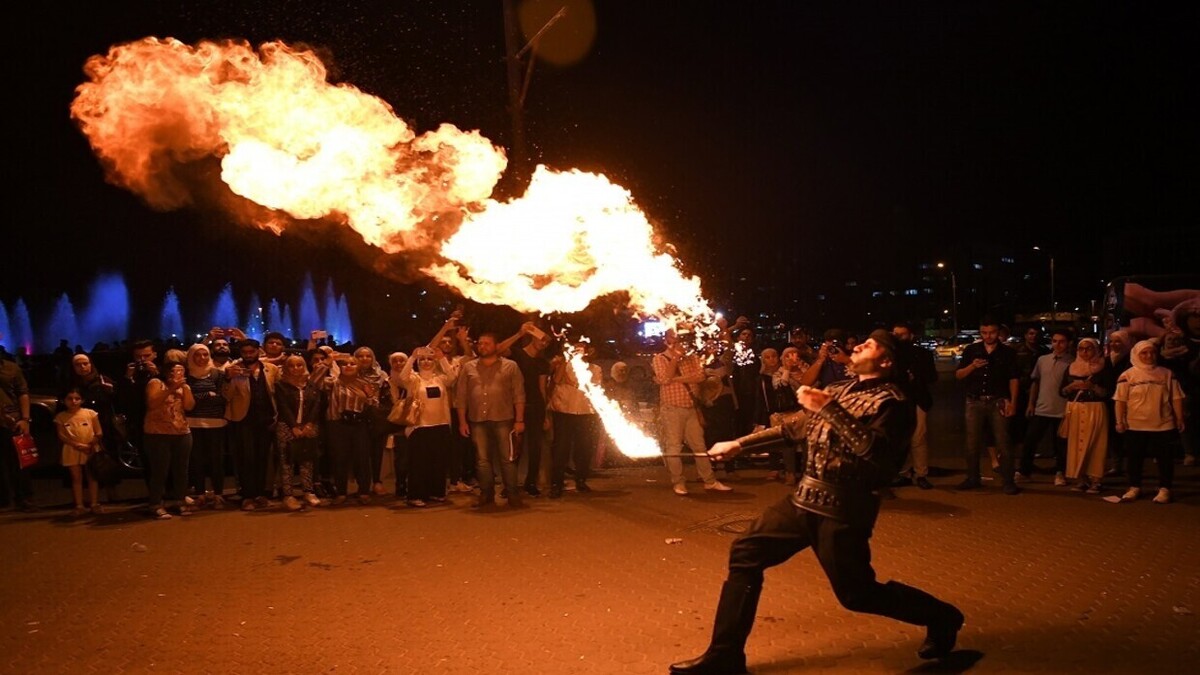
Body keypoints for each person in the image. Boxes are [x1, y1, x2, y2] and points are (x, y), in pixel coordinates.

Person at [668, 330, 963, 674]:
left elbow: (876, 453)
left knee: (857, 595)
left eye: (870, 344)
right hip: (803, 499)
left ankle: (942, 616)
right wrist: (739, 444)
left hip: (845, 508)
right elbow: (792, 429)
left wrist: (828, 408)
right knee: (746, 553)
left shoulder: (894, 402)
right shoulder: (837, 389)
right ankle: (725, 655)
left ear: (886, 361)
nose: (858, 345)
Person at [652, 329, 732, 495]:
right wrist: (675, 358)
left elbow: (700, 376)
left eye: (680, 338)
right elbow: (664, 378)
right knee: (674, 447)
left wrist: (675, 379)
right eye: (674, 337)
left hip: (691, 408)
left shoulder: (692, 357)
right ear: (667, 339)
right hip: (672, 409)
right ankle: (678, 482)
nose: (678, 341)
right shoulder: (660, 358)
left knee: (699, 446)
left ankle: (709, 481)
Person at [457, 332, 526, 508]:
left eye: (487, 343)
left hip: (503, 418)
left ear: (496, 346)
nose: (482, 347)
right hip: (477, 419)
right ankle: (486, 494)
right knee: (482, 460)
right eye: (480, 343)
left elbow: (519, 394)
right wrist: (462, 422)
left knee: (507, 459)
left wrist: (519, 420)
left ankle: (512, 494)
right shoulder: (469, 367)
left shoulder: (510, 366)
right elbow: (462, 396)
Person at [955, 317, 1020, 495]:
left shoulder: (1007, 352)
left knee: (1003, 441)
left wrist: (1013, 402)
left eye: (991, 332)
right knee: (972, 442)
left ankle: (1008, 480)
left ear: (998, 332)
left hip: (998, 400)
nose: (988, 336)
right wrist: (972, 366)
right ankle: (973, 478)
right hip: (974, 400)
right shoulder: (972, 350)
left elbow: (1014, 378)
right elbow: (959, 375)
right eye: (984, 333)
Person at [1115, 340, 1185, 504]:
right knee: (1134, 457)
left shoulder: (1167, 373)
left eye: (1152, 352)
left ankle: (1165, 488)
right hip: (1135, 424)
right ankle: (1134, 486)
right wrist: (1119, 421)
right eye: (1144, 353)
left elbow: (1176, 397)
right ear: (1136, 354)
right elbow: (1120, 400)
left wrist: (1179, 418)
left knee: (1165, 458)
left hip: (1163, 423)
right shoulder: (1127, 375)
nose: (1149, 356)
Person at [393, 345, 459, 507]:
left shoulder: (440, 379)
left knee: (438, 461)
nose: (426, 362)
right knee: (418, 463)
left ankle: (436, 492)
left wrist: (442, 358)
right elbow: (402, 376)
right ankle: (416, 495)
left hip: (441, 424)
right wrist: (412, 358)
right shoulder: (414, 379)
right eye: (422, 360)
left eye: (429, 359)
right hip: (420, 426)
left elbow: (452, 377)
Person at [498, 321, 553, 497]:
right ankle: (510, 484)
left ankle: (531, 483)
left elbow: (542, 389)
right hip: (516, 406)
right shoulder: (517, 354)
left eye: (547, 341)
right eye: (542, 339)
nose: (544, 343)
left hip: (536, 407)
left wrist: (545, 414)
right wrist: (519, 334)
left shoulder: (543, 363)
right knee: (515, 448)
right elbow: (498, 350)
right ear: (533, 336)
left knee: (535, 447)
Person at [225, 338, 279, 510]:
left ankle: (261, 494)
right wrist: (228, 378)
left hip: (266, 419)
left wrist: (277, 417)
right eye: (245, 352)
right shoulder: (234, 369)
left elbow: (277, 392)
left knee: (263, 458)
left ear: (258, 351)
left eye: (251, 352)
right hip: (244, 420)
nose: (248, 355)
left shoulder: (270, 369)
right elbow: (226, 396)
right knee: (246, 458)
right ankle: (248, 496)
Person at [1059, 337, 1115, 494]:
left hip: (1095, 408)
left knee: (1096, 444)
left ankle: (1096, 479)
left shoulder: (1104, 367)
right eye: (1081, 349)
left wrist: (1092, 387)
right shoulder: (1071, 368)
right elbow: (1061, 391)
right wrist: (1071, 387)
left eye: (1089, 348)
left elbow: (1109, 392)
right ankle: (1081, 478)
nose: (1085, 352)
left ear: (1096, 350)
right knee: (1075, 443)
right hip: (1075, 408)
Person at [1018, 328, 1074, 486]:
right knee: (1030, 440)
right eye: (1055, 341)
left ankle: (1060, 472)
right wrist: (1031, 403)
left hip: (1063, 409)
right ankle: (1024, 471)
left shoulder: (1073, 362)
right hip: (1042, 407)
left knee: (1061, 444)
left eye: (1062, 342)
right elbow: (1036, 382)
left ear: (1068, 343)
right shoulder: (1042, 360)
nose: (1057, 345)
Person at [546, 341, 602, 498]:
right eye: (574, 348)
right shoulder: (564, 365)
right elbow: (557, 380)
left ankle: (581, 480)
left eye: (580, 349)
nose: (577, 351)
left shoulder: (595, 369)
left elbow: (589, 386)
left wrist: (569, 381)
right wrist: (564, 361)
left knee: (584, 448)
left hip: (585, 412)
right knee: (560, 449)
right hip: (564, 411)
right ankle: (556, 484)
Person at [143, 361, 195, 519]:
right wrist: (172, 388)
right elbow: (152, 403)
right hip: (158, 432)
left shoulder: (184, 386)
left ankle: (180, 501)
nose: (177, 374)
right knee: (160, 470)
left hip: (181, 431)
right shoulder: (156, 383)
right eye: (173, 371)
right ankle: (155, 503)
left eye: (181, 370)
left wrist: (185, 388)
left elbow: (189, 406)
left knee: (181, 469)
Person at [890, 322, 938, 490]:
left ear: (910, 336)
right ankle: (903, 472)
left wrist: (915, 376)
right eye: (895, 334)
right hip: (896, 401)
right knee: (899, 438)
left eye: (902, 334)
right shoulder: (890, 355)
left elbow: (932, 377)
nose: (898, 338)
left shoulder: (923, 354)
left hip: (917, 399)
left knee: (918, 438)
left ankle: (921, 474)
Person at [274, 354, 324, 510]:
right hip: (287, 427)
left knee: (307, 459)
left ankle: (308, 492)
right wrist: (294, 426)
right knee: (287, 461)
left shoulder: (311, 385)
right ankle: (288, 495)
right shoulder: (281, 385)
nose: (296, 368)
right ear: (286, 368)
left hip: (309, 426)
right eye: (291, 365)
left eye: (299, 365)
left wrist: (309, 424)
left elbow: (316, 405)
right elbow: (283, 406)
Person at [183, 343, 230, 509]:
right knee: (197, 460)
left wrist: (197, 397)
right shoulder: (186, 375)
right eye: (197, 355)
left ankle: (218, 494)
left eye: (205, 354)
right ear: (191, 356)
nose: (202, 358)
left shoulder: (217, 374)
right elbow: (185, 400)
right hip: (192, 422)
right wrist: (206, 395)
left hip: (216, 422)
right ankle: (200, 494)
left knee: (217, 460)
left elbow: (222, 397)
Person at [54, 387, 105, 517]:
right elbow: (61, 435)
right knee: (76, 477)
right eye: (70, 399)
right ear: (63, 400)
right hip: (71, 449)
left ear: (82, 400)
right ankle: (79, 505)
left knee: (92, 476)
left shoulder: (90, 413)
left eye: (77, 398)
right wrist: (77, 444)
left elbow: (99, 432)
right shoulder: (61, 417)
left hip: (90, 448)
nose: (74, 401)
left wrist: (90, 444)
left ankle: (94, 503)